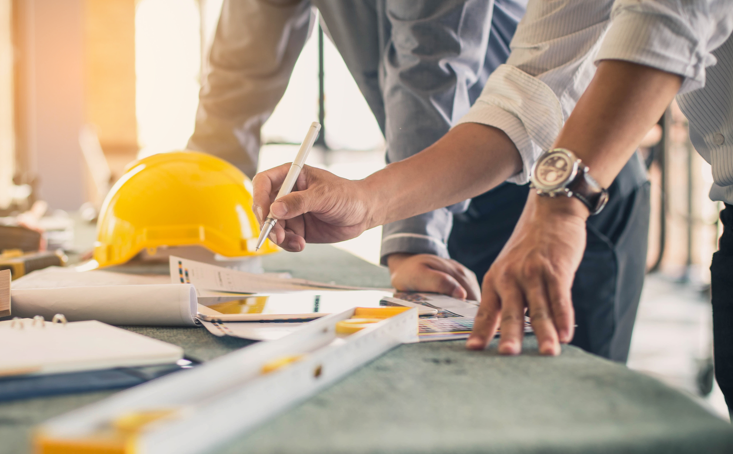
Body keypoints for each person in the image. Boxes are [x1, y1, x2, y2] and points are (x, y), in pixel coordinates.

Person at [251, 0, 733, 414]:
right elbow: (530, 92)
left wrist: (559, 205)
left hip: (580, 191)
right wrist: (367, 201)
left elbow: (667, 20)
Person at [188, 0, 651, 362]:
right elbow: (238, 74)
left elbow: (431, 67)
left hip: (571, 185)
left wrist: (414, 241)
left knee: (567, 404)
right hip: (436, 187)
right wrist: (189, 208)